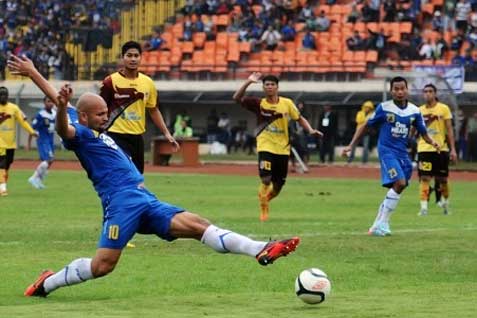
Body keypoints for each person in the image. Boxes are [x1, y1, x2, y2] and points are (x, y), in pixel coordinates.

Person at [22, 83, 301, 298]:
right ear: (83, 116)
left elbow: (60, 99)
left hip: (144, 199)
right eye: (101, 114)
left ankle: (261, 249)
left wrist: (34, 72)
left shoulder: (86, 121)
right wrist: (59, 109)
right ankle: (47, 283)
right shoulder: (79, 134)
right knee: (102, 266)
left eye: (107, 112)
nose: (107, 117)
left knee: (197, 224)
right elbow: (63, 127)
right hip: (121, 204)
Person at [342, 77, 439, 237]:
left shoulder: (414, 111)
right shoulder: (384, 108)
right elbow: (365, 125)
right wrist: (351, 145)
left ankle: (377, 224)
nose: (399, 92)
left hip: (402, 153)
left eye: (402, 88)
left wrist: (432, 142)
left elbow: (423, 132)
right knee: (399, 183)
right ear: (391, 91)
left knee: (400, 187)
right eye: (396, 89)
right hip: (387, 151)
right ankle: (383, 223)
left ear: (407, 90)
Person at [233, 72, 322, 221]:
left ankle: (266, 198)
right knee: (266, 179)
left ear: (277, 87)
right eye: (266, 84)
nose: (269, 87)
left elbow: (299, 119)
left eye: (272, 84)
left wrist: (311, 130)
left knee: (278, 185)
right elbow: (236, 98)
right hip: (265, 146)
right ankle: (263, 209)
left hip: (283, 148)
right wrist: (248, 82)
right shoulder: (259, 104)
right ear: (263, 88)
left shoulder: (286, 103)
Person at [99, 41, 178, 174]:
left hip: (137, 138)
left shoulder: (148, 83)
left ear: (141, 58)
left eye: (136, 56)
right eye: (129, 55)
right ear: (122, 57)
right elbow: (99, 108)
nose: (133, 59)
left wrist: (166, 133)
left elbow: (153, 109)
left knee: (137, 178)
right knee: (120, 174)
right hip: (114, 135)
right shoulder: (110, 82)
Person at [417, 84, 457, 216]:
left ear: (435, 93)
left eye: (430, 91)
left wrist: (453, 150)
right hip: (424, 149)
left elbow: (449, 130)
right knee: (425, 178)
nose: (427, 94)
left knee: (442, 179)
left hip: (441, 149)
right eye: (425, 91)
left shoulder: (443, 109)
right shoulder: (419, 110)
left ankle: (445, 204)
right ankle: (423, 208)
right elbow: (413, 129)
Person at [0, 86, 37, 196]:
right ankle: (3, 187)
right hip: (0, 142)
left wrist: (31, 132)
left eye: (4, 95)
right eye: (1, 95)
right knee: (1, 163)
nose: (3, 97)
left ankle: (2, 183)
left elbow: (23, 122)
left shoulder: (14, 108)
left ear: (8, 96)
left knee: (7, 164)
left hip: (10, 143)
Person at [27, 96, 57, 189]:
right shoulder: (40, 114)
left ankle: (39, 180)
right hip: (43, 139)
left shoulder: (54, 113)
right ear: (44, 103)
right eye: (48, 101)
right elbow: (32, 128)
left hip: (50, 139)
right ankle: (33, 178)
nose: (50, 103)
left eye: (52, 101)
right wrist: (29, 143)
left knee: (51, 160)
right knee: (47, 160)